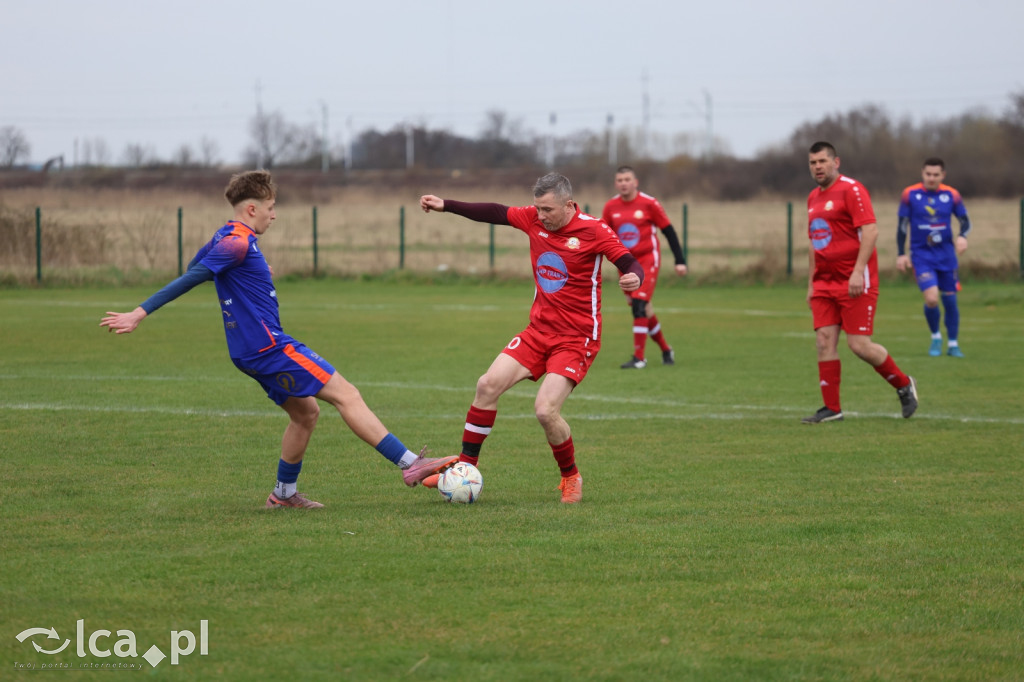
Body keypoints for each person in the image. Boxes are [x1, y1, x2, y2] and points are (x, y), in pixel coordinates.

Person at [100, 170, 456, 508]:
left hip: (247, 351)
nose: (275, 215)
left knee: (305, 414)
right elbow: (193, 277)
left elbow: (200, 265)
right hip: (270, 346)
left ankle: (283, 494)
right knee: (346, 395)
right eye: (270, 208)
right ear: (252, 208)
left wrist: (248, 272)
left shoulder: (227, 237)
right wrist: (139, 312)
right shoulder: (237, 243)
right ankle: (410, 464)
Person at [419, 173, 644, 503]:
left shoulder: (594, 230)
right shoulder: (534, 219)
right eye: (537, 209)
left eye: (548, 210)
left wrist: (633, 278)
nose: (540, 216)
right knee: (487, 385)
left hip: (576, 338)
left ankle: (570, 477)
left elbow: (629, 261)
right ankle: (464, 468)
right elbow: (495, 212)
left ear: (569, 205)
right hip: (538, 332)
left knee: (544, 410)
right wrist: (447, 205)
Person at [803, 141, 918, 423]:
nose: (817, 166)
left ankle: (903, 384)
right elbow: (814, 242)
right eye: (813, 162)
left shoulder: (852, 189)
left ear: (836, 162)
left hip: (855, 280)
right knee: (823, 341)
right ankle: (832, 409)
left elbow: (871, 231)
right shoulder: (812, 198)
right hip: (824, 283)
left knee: (859, 346)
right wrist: (810, 283)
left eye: (822, 161)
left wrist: (857, 271)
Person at [601, 166, 688, 369]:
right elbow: (603, 236)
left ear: (635, 182)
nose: (623, 183)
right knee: (644, 310)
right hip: (624, 263)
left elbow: (669, 231)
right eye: (620, 180)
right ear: (616, 183)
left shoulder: (649, 204)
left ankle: (639, 358)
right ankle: (666, 349)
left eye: (627, 179)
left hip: (648, 261)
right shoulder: (611, 207)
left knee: (640, 306)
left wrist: (679, 260)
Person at [896, 157, 971, 357]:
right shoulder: (910, 194)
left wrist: (962, 236)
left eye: (936, 175)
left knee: (950, 301)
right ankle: (936, 337)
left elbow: (965, 220)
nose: (931, 178)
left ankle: (953, 344)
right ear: (922, 173)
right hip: (921, 255)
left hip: (946, 255)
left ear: (942, 175)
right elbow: (902, 226)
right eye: (928, 174)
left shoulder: (952, 194)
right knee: (931, 299)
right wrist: (901, 254)